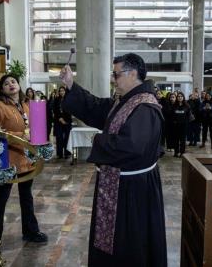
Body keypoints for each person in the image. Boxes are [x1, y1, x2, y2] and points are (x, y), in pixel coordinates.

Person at [59, 53, 167, 266]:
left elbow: (132, 146)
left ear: (132, 73)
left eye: (116, 75)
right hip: (118, 183)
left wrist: (98, 140)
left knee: (128, 242)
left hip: (132, 191)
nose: (112, 79)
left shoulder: (145, 106)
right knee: (114, 239)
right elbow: (96, 107)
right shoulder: (126, 101)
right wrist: (71, 84)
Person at [0, 74, 47, 255]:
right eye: (6, 83)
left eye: (13, 81)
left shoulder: (27, 105)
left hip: (27, 160)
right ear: (1, 89)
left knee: (27, 197)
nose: (10, 84)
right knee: (0, 201)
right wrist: (21, 136)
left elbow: (35, 128)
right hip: (7, 160)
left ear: (19, 85)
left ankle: (31, 231)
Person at [53, 86, 72, 159]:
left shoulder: (68, 100)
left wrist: (65, 120)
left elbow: (70, 110)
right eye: (60, 91)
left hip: (67, 121)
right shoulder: (56, 99)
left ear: (65, 91)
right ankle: (60, 153)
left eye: (63, 91)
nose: (61, 92)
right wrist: (60, 118)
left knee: (67, 137)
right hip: (58, 121)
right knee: (59, 137)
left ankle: (67, 153)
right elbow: (55, 110)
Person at [172, 92, 191, 157]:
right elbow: (172, 115)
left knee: (183, 140)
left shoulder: (187, 106)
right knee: (176, 140)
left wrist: (186, 123)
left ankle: (182, 152)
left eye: (181, 96)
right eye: (178, 96)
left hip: (184, 125)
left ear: (183, 97)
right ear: (177, 98)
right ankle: (176, 152)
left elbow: (188, 116)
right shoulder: (174, 106)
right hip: (175, 125)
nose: (180, 97)